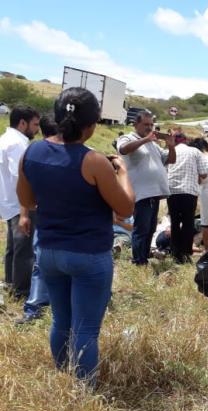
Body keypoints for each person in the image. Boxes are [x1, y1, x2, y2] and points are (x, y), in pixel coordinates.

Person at [16, 87, 134, 386]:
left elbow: (27, 201)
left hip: (50, 251)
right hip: (88, 254)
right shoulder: (94, 161)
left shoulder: (32, 152)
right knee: (85, 329)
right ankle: (83, 391)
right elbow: (125, 207)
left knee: (61, 321)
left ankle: (62, 376)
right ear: (92, 124)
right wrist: (121, 172)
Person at [117, 110, 176, 265]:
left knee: (150, 229)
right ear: (136, 124)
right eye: (146, 125)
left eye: (151, 125)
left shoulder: (152, 144)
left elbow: (171, 159)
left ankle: (144, 257)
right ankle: (138, 261)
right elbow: (123, 149)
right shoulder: (128, 138)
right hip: (141, 193)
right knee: (141, 229)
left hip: (155, 193)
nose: (150, 128)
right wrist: (145, 139)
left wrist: (171, 146)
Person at [16, 115, 57, 324]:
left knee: (43, 261)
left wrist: (24, 214)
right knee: (41, 261)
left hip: (50, 217)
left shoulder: (34, 152)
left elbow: (26, 188)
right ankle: (37, 307)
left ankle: (39, 307)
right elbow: (26, 187)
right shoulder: (35, 153)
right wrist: (24, 214)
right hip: (46, 216)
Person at [0, 106, 40, 298]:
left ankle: (10, 283)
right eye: (35, 124)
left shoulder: (6, 139)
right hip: (19, 203)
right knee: (24, 250)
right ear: (22, 123)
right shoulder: (17, 144)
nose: (37, 129)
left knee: (13, 248)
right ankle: (21, 292)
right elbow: (21, 177)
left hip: (9, 202)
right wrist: (30, 204)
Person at [166, 133, 207, 263]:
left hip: (172, 192)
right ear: (186, 141)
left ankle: (174, 253)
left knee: (175, 223)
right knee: (188, 223)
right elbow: (204, 173)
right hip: (189, 192)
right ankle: (185, 253)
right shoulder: (195, 151)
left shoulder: (169, 152)